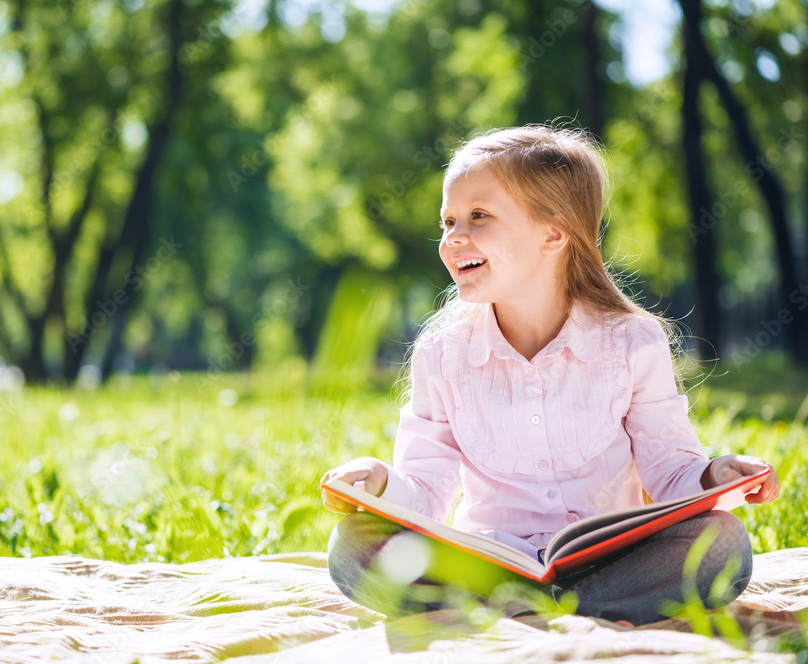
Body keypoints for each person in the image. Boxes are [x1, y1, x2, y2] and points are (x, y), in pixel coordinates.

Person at [319, 125, 780, 626]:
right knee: (353, 547)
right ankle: (542, 610)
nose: (453, 237)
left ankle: (524, 616)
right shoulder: (441, 353)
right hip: (486, 564)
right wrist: (380, 482)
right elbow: (425, 494)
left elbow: (670, 472)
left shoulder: (632, 342)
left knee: (722, 542)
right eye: (448, 221)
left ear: (553, 233)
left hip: (612, 563)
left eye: (478, 216)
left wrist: (715, 475)